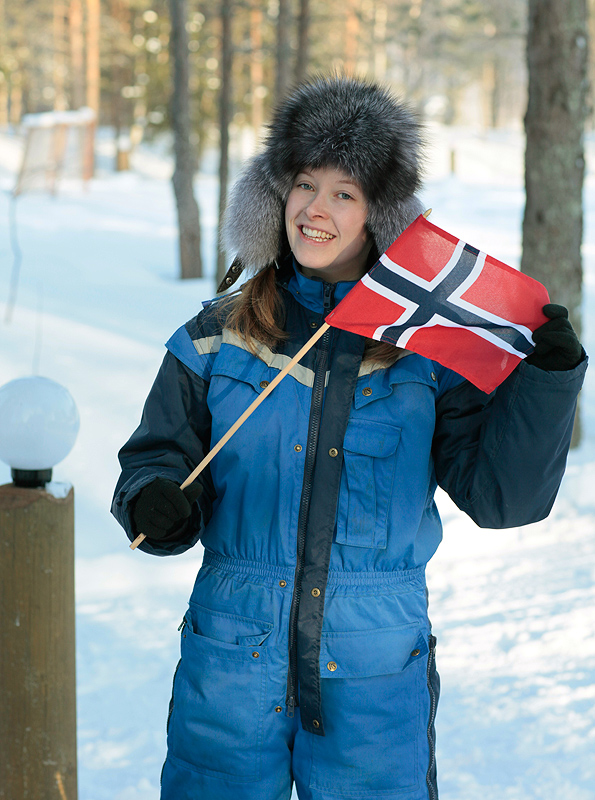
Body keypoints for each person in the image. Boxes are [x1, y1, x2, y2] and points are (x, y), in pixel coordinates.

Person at [112, 75, 586, 800]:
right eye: (305, 183)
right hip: (233, 649)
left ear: (378, 216)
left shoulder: (425, 350)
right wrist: (152, 501)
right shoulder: (217, 336)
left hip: (372, 658)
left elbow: (502, 501)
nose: (316, 209)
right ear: (275, 195)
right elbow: (158, 456)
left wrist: (546, 385)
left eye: (345, 192)